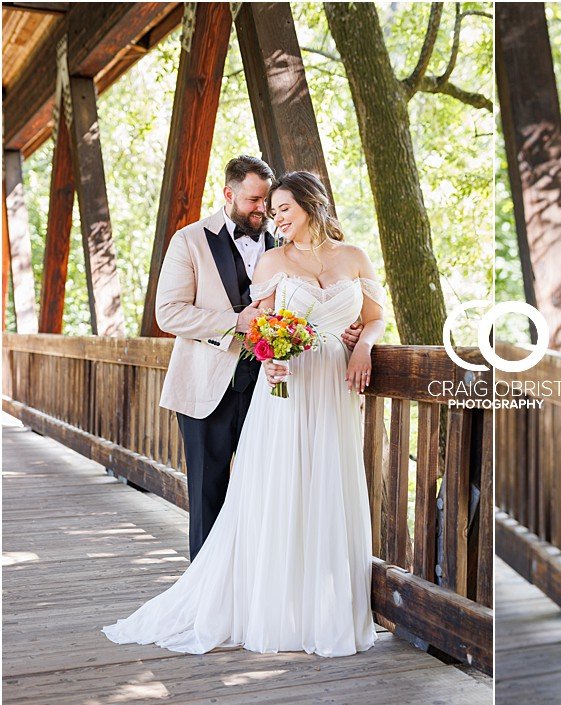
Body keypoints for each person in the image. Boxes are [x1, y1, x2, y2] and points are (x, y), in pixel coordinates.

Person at [105, 171, 385, 657]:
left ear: (312, 205)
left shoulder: (354, 257)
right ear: (231, 194)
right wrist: (268, 351)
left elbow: (374, 314)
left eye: (280, 207)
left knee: (325, 485)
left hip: (332, 388)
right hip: (275, 386)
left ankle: (320, 608)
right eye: (264, 205)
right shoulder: (213, 245)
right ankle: (253, 603)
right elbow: (253, 323)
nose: (271, 215)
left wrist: (364, 346)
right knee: (254, 490)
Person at [146, 155, 359, 557]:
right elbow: (168, 313)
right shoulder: (189, 240)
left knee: (265, 495)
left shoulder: (285, 241)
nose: (263, 210)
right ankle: (206, 600)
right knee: (209, 496)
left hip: (274, 388)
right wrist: (235, 321)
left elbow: (320, 300)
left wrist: (349, 332)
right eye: (254, 200)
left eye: (269, 202)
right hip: (207, 385)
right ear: (229, 194)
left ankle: (252, 594)